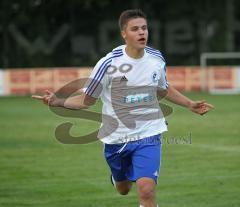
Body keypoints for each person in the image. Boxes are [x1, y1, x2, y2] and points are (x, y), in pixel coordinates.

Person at [32, 9, 214, 207]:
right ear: (124, 34)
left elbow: (162, 88)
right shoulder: (108, 64)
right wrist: (58, 101)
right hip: (116, 138)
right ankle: (118, 178)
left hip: (149, 133)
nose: (141, 33)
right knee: (124, 189)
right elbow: (87, 100)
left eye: (144, 28)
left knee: (146, 190)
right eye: (135, 29)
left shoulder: (156, 58)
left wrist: (189, 104)